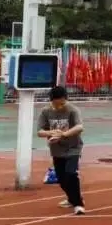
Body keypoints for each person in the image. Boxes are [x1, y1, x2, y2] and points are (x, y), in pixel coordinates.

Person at [37, 86, 86, 215]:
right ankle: (73, 198)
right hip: (56, 150)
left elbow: (80, 126)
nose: (60, 106)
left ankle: (78, 205)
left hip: (73, 148)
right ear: (51, 101)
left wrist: (64, 134)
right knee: (62, 179)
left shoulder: (72, 110)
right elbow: (40, 131)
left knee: (71, 174)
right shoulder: (45, 112)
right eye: (56, 104)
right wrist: (51, 132)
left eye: (62, 103)